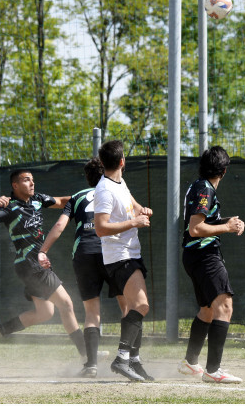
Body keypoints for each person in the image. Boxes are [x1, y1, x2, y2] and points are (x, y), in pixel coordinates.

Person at [0, 169, 86, 360]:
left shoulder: (38, 199)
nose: (32, 183)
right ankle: (88, 354)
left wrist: (85, 197)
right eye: (26, 180)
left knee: (45, 313)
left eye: (32, 180)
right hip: (30, 264)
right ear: (15, 185)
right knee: (67, 304)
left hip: (34, 266)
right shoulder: (9, 207)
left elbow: (62, 202)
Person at [39, 157, 127, 378]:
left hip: (84, 253)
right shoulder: (117, 191)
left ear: (87, 178)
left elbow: (60, 225)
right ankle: (128, 358)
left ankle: (91, 365)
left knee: (91, 312)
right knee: (127, 307)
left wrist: (43, 250)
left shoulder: (77, 197)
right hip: (111, 251)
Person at [178, 146, 245, 384]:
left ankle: (190, 362)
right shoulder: (205, 189)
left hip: (194, 255)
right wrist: (226, 228)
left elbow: (205, 221)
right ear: (224, 171)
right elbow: (196, 229)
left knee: (207, 310)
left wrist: (229, 222)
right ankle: (213, 370)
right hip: (204, 253)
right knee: (224, 306)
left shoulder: (199, 186)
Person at [94, 140, 154, 382]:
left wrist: (141, 210)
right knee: (142, 306)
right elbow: (101, 228)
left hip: (129, 254)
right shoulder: (104, 190)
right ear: (122, 162)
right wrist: (134, 222)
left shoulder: (119, 182)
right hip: (120, 257)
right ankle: (121, 358)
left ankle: (134, 361)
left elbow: (131, 202)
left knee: (131, 309)